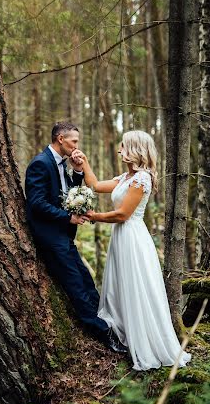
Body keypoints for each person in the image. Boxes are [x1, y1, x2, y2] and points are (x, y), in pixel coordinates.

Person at [77, 130, 191, 371]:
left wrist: (95, 216)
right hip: (122, 238)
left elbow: (122, 214)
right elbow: (95, 185)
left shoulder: (142, 179)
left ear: (135, 150)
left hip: (133, 238)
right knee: (121, 285)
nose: (119, 150)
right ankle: (125, 332)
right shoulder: (125, 178)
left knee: (136, 286)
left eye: (124, 146)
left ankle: (145, 341)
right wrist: (84, 162)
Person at [25, 121, 127, 353]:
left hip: (63, 235)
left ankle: (107, 322)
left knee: (86, 280)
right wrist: (67, 217)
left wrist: (78, 171)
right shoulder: (40, 164)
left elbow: (67, 191)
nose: (77, 145)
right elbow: (36, 203)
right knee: (75, 285)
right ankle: (103, 333)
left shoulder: (61, 162)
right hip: (50, 235)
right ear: (60, 139)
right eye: (74, 141)